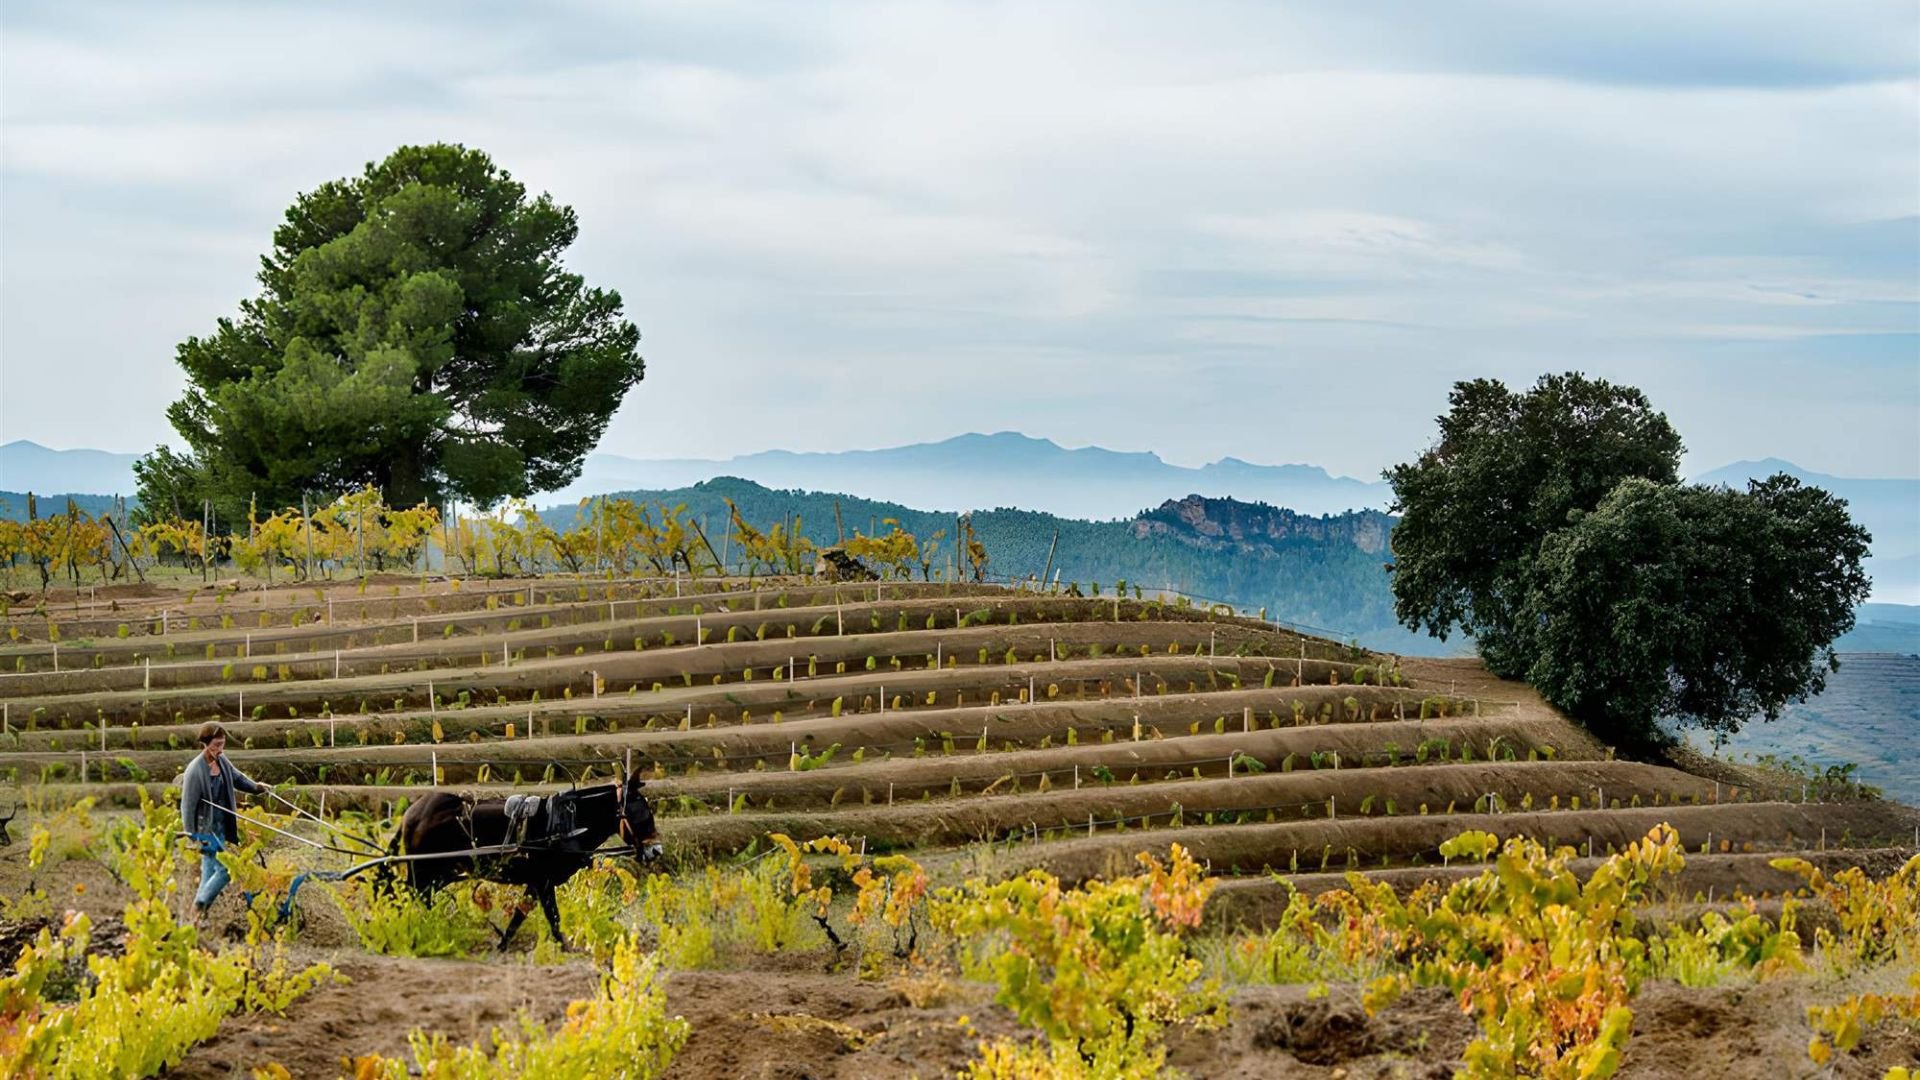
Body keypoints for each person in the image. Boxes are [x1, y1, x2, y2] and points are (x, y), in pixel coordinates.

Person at [178, 722, 271, 926]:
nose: (220, 749)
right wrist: (191, 833)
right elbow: (187, 805)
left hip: (221, 825)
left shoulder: (222, 761)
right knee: (226, 870)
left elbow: (237, 778)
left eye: (222, 745)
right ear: (205, 744)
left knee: (209, 873)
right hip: (206, 830)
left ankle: (195, 919)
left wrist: (256, 788)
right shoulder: (195, 770)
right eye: (216, 745)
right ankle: (199, 905)